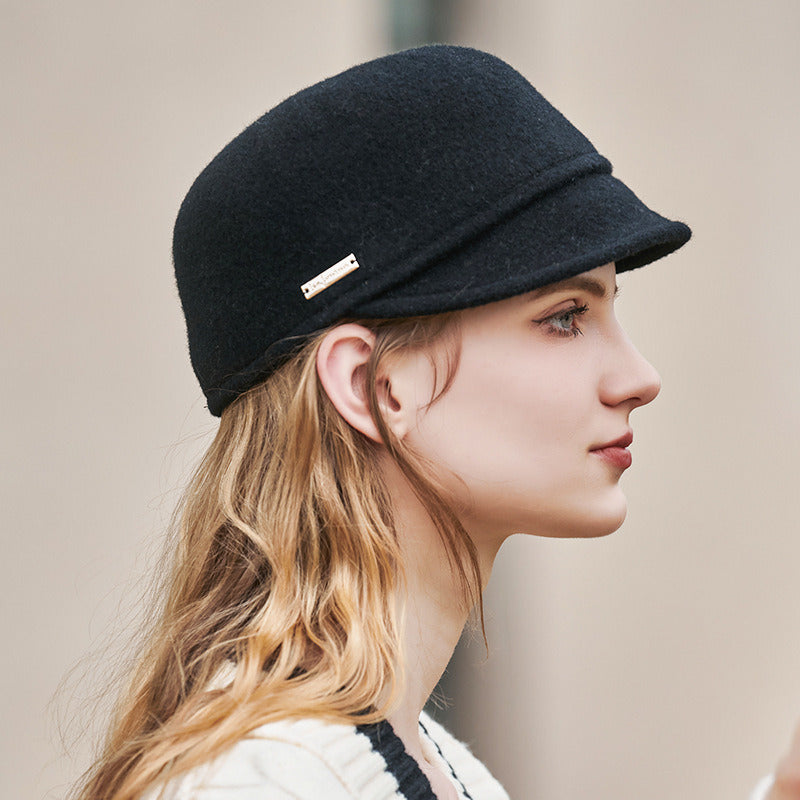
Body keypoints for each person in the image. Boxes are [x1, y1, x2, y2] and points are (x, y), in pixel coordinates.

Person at [69, 45, 795, 800]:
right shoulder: (265, 782)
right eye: (565, 317)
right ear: (372, 385)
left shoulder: (409, 763)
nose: (640, 379)